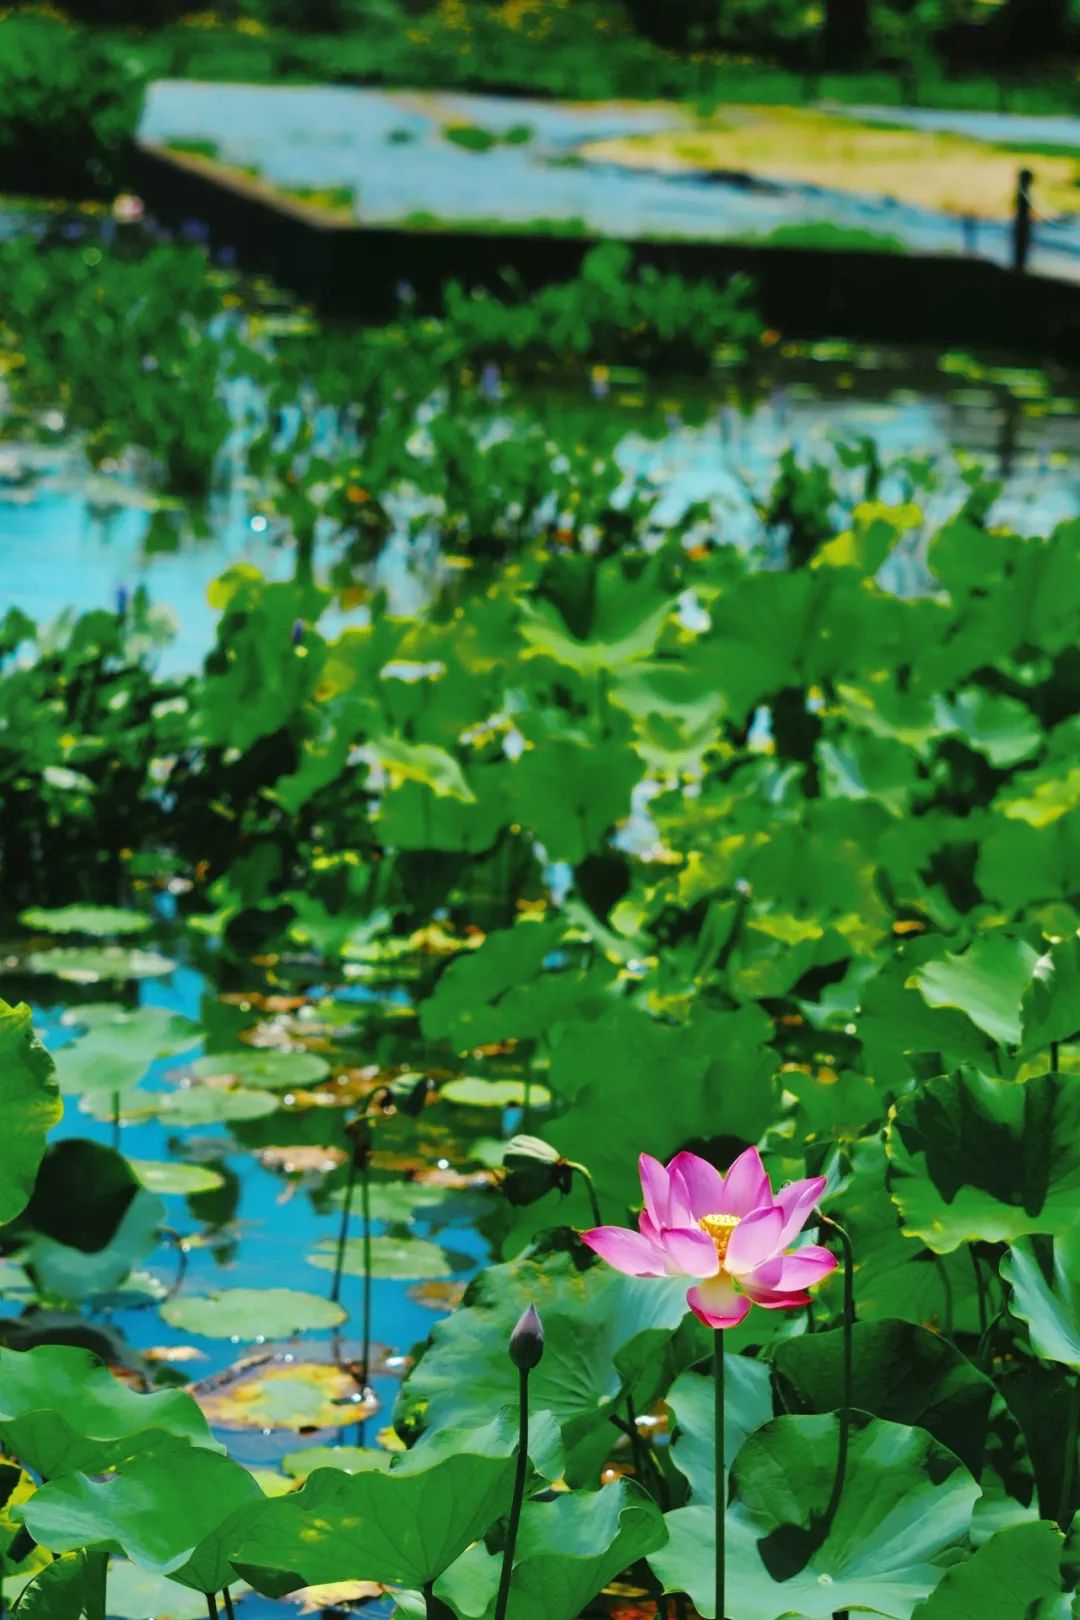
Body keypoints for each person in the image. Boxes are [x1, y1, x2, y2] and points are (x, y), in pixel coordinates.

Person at [1013, 168, 1033, 274]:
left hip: (1020, 227)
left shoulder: (1021, 192)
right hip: (1022, 227)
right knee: (1021, 250)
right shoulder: (1024, 194)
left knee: (1019, 251)